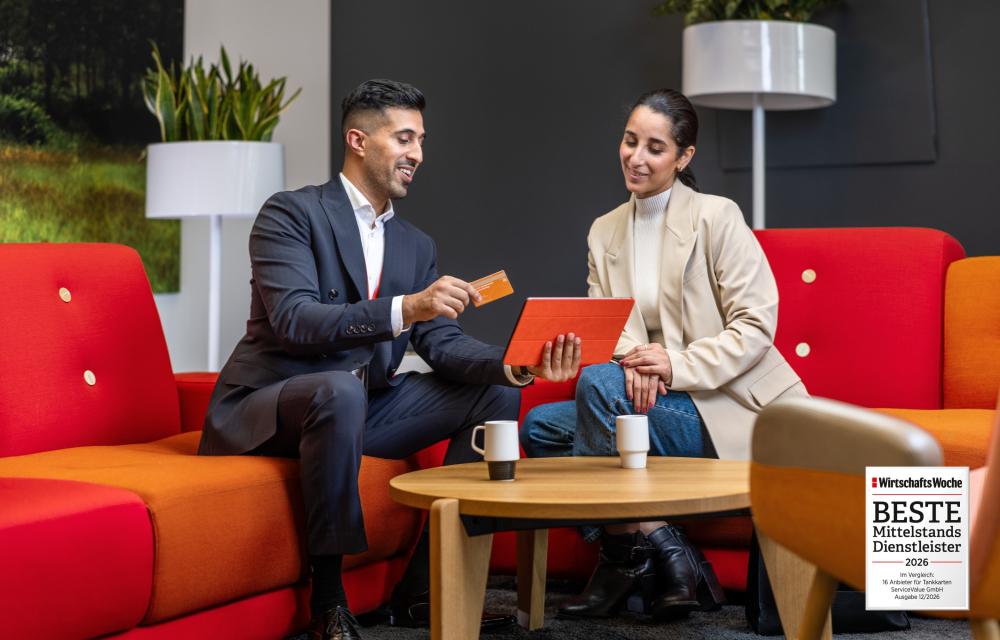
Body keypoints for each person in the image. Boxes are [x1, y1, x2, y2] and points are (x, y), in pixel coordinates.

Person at [198, 79, 581, 640]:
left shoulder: (415, 245)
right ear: (358, 140)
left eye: (421, 140)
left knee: (496, 393)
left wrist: (518, 362)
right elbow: (296, 321)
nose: (418, 154)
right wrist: (407, 306)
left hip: (358, 405)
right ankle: (329, 602)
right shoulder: (291, 214)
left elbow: (441, 344)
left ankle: (427, 589)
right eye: (404, 138)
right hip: (271, 405)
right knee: (338, 389)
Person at [520, 88, 808, 622]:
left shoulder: (716, 216)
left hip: (731, 407)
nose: (636, 157)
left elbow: (755, 326)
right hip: (653, 400)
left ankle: (621, 560)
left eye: (655, 148)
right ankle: (664, 544)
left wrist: (673, 366)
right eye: (630, 141)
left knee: (599, 387)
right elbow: (609, 323)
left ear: (683, 156)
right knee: (541, 428)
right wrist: (641, 364)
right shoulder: (604, 230)